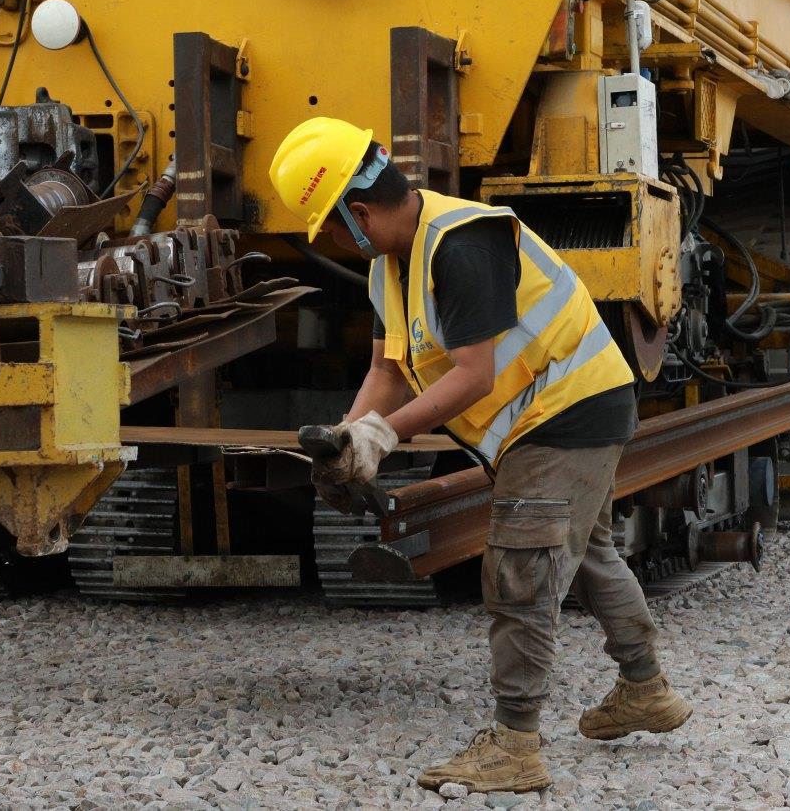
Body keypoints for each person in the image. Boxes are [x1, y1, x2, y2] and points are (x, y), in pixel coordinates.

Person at [268, 117, 690, 795]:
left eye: (329, 229)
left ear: (359, 214)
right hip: (555, 414)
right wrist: (350, 437)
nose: (334, 243)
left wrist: (384, 437)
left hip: (570, 407)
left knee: (519, 567)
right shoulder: (390, 267)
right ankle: (646, 689)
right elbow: (389, 369)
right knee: (588, 552)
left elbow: (473, 375)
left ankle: (516, 746)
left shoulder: (460, 243)